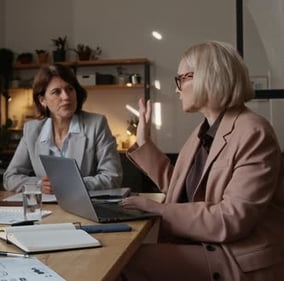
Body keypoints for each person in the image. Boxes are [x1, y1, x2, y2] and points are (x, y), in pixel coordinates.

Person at [121, 41, 284, 280]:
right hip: (204, 245)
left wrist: (159, 211)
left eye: (181, 79)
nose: (177, 89)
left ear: (208, 76)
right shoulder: (203, 131)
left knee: (129, 262)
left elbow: (232, 218)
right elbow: (180, 190)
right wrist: (144, 142)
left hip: (236, 257)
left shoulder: (253, 131)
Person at [3, 64, 122, 193]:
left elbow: (112, 177)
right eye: (56, 92)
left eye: (70, 89)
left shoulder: (96, 124)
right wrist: (39, 185)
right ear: (43, 100)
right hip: (46, 209)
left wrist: (69, 184)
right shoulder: (31, 130)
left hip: (84, 208)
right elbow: (10, 178)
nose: (66, 97)